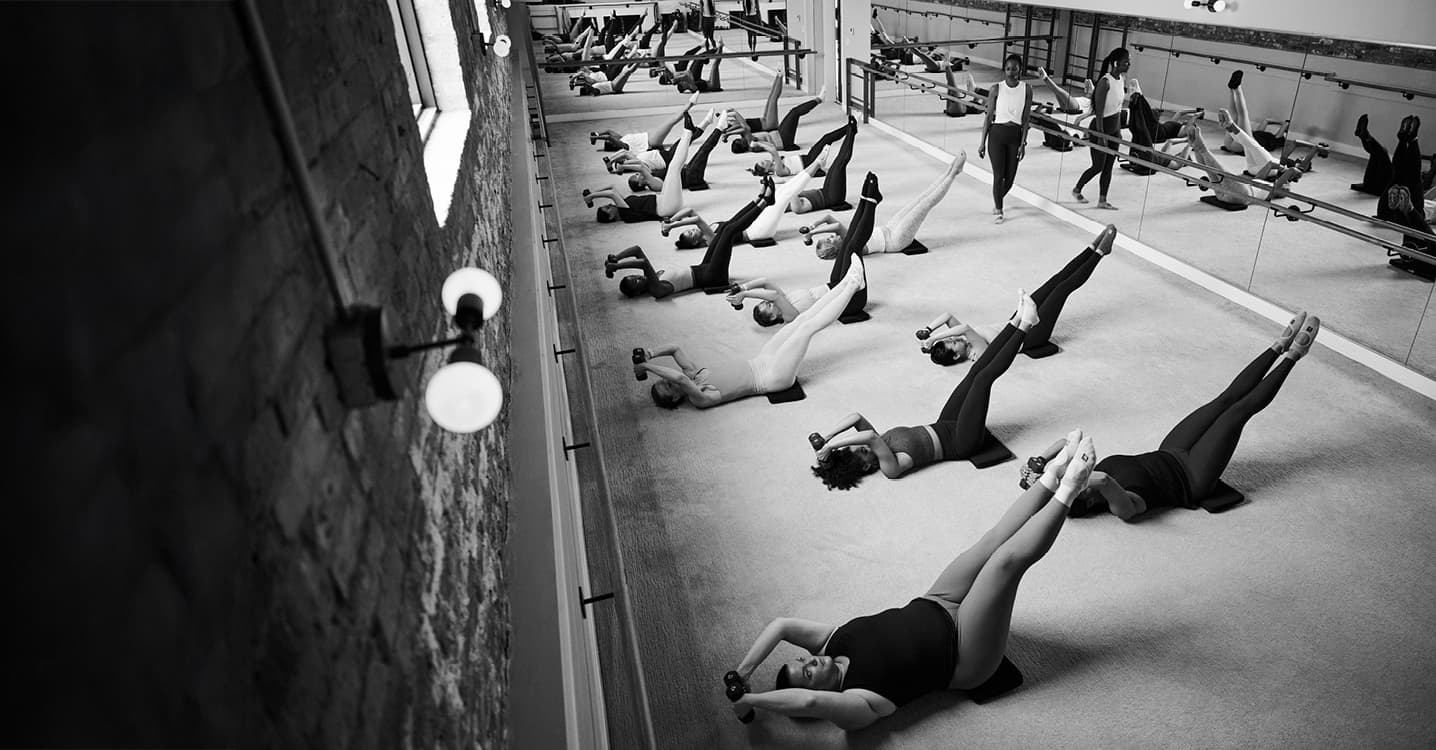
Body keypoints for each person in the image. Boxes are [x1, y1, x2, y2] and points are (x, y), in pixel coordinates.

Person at [725, 432, 1098, 729]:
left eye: (803, 662)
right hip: (964, 653)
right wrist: (751, 702)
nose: (811, 664)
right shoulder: (857, 705)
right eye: (808, 674)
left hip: (937, 600)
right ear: (817, 696)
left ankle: (1051, 477)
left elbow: (781, 625)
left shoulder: (832, 641)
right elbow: (808, 702)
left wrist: (745, 671)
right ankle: (1071, 490)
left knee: (990, 541)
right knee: (1003, 564)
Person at [1061, 313, 1320, 520]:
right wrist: (1075, 480)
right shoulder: (1120, 506)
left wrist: (1049, 475)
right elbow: (1104, 481)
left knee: (1223, 400)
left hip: (1170, 450)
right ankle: (1295, 356)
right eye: (1078, 491)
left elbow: (1066, 453)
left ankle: (1278, 346)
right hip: (1192, 476)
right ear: (1087, 499)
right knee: (1235, 415)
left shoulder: (1092, 478)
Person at [809, 291, 1040, 489]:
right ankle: (1026, 325)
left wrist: (829, 436)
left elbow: (856, 417)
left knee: (974, 372)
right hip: (962, 442)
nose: (862, 446)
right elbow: (868, 436)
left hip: (944, 424)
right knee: (983, 380)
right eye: (861, 452)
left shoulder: (877, 443)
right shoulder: (889, 467)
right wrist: (830, 446)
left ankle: (1016, 321)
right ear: (867, 465)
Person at [634, 257, 868, 409]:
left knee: (801, 321)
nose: (667, 380)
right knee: (807, 329)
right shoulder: (699, 397)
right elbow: (680, 379)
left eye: (663, 381)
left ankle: (846, 283)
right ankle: (852, 286)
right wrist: (645, 367)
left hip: (762, 359)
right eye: (666, 386)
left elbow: (675, 348)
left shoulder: (694, 374)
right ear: (676, 398)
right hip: (771, 378)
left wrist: (650, 353)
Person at [918, 225, 1115, 365]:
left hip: (1017, 318)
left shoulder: (964, 339)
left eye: (951, 339)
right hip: (1031, 335)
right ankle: (1100, 253)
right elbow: (965, 327)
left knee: (1054, 280)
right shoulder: (977, 352)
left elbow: (948, 316)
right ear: (955, 356)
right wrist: (935, 339)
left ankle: (1090, 249)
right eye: (954, 344)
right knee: (1062, 289)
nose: (957, 340)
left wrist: (929, 330)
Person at [727, 173, 883, 326]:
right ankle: (871, 203)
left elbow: (765, 281)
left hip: (836, 286)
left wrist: (742, 287)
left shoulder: (784, 300)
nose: (768, 301)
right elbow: (773, 295)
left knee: (846, 243)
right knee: (852, 248)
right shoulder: (790, 316)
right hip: (850, 301)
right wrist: (745, 295)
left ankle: (864, 201)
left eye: (765, 302)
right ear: (774, 317)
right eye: (767, 306)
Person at [604, 178, 774, 298]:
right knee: (729, 231)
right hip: (712, 276)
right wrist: (617, 267)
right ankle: (765, 202)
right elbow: (641, 263)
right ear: (637, 292)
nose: (637, 278)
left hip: (704, 267)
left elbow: (637, 250)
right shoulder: (655, 290)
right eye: (635, 282)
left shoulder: (652, 277)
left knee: (724, 230)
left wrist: (617, 258)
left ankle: (759, 198)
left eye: (632, 277)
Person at [802, 151, 967, 258]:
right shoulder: (849, 247)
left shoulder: (844, 237)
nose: (833, 236)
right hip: (895, 241)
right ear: (835, 249)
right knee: (926, 204)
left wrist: (814, 225)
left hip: (888, 228)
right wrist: (813, 234)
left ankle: (950, 170)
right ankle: (953, 173)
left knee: (920, 198)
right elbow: (836, 225)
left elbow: (830, 217)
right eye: (831, 239)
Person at [1180, 125, 1300, 206]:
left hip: (1242, 195)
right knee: (1210, 171)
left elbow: (1291, 172)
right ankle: (1196, 148)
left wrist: (1293, 171)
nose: (1285, 183)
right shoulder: (1262, 184)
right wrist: (1282, 168)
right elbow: (1270, 164)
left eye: (1286, 184)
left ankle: (1201, 148)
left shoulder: (1274, 191)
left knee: (1224, 174)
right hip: (1226, 195)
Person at [1071, 47, 1130, 210]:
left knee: (1109, 166)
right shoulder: (1105, 82)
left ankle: (1102, 200)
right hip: (1100, 128)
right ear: (1116, 63)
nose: (1129, 64)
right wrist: (1102, 137)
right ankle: (1077, 189)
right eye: (1126, 62)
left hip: (1114, 129)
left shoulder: (1121, 80)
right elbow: (1099, 112)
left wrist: (1118, 132)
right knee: (1098, 166)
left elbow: (1118, 108)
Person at [977, 54, 1033, 224]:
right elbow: (988, 117)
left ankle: (997, 199)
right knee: (998, 175)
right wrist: (982, 143)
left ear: (1020, 70)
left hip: (1015, 136)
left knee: (1010, 178)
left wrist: (1023, 143)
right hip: (996, 135)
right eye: (1008, 69)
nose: (1010, 72)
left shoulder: (1027, 89)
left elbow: (1026, 119)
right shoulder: (996, 88)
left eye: (1014, 68)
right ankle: (999, 209)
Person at [723, 75, 828, 153]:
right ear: (743, 146)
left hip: (779, 134)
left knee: (788, 109)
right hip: (783, 140)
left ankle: (780, 75)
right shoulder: (751, 144)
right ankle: (819, 99)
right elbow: (744, 128)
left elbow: (742, 129)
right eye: (740, 141)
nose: (741, 139)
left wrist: (728, 133)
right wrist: (727, 134)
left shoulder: (747, 139)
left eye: (738, 139)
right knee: (794, 112)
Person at [1218, 70, 1289, 156]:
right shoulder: (1274, 139)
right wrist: (1284, 125)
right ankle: (1233, 89)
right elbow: (1283, 124)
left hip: (1238, 143)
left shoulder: (1264, 134)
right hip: (1236, 145)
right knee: (1237, 116)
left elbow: (1267, 121)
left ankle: (1235, 89)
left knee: (1239, 116)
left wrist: (1282, 123)